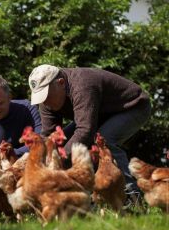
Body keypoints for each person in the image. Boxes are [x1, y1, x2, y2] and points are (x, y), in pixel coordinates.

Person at [28, 64, 151, 198]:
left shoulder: (82, 86)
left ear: (61, 83)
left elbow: (85, 130)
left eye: (46, 96)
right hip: (98, 115)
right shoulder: (47, 101)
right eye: (40, 98)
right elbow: (48, 135)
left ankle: (131, 195)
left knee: (104, 141)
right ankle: (78, 198)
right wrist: (36, 162)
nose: (45, 102)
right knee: (63, 144)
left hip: (133, 107)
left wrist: (59, 159)